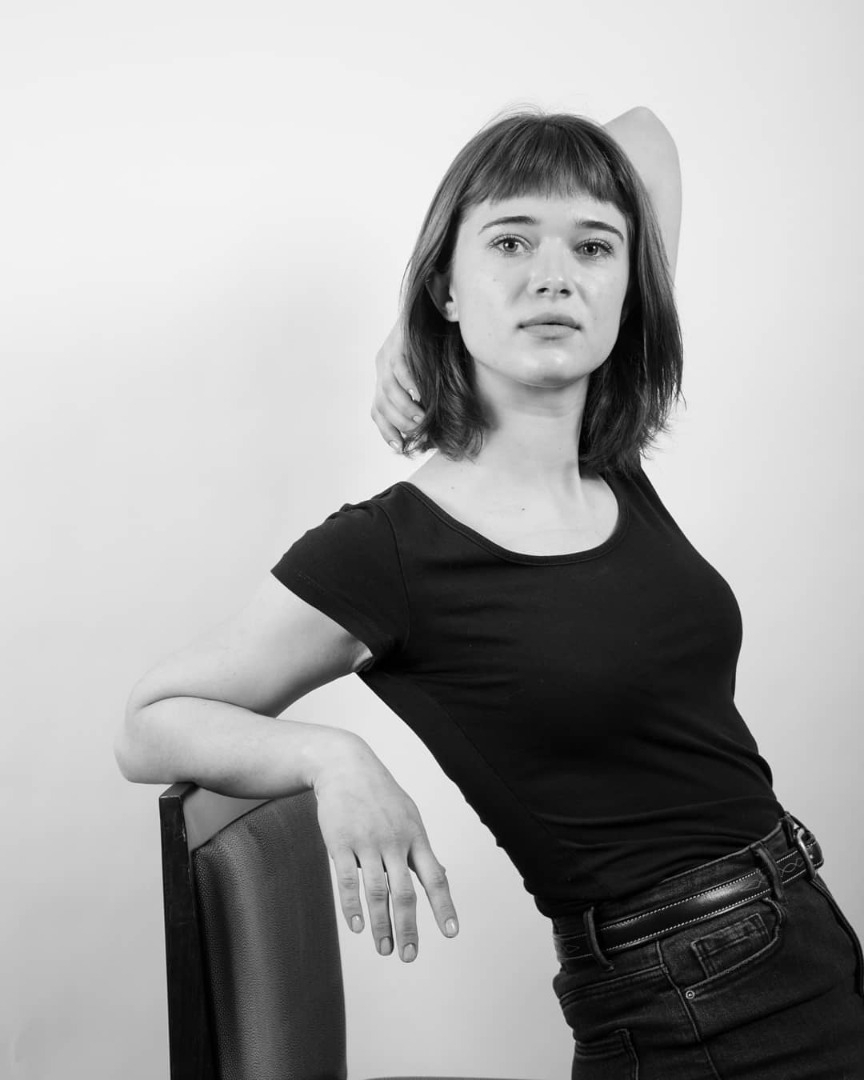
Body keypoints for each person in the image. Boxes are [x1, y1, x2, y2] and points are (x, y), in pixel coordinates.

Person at [116, 106, 864, 1075]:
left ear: (628, 289)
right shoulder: (387, 550)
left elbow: (645, 137)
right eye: (509, 242)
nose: (555, 275)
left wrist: (417, 320)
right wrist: (331, 756)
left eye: (593, 248)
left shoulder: (610, 468)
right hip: (691, 1005)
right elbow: (148, 724)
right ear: (447, 284)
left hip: (812, 942)